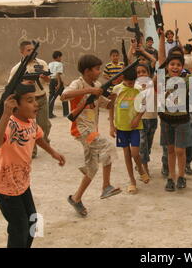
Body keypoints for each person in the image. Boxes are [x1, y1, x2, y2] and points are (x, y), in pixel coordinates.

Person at [0, 83, 65, 248]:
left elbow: (37, 137)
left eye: (35, 99)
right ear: (15, 105)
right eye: (30, 101)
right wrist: (6, 113)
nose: (36, 104)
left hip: (21, 182)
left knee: (32, 220)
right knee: (19, 226)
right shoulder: (10, 124)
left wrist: (53, 152)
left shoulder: (30, 121)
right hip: (5, 184)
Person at [61, 54, 121, 217]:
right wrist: (90, 90)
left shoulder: (97, 84)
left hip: (91, 129)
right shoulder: (78, 83)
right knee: (108, 148)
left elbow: (106, 104)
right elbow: (64, 95)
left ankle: (76, 198)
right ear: (87, 71)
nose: (99, 71)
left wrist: (114, 95)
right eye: (96, 69)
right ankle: (106, 186)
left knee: (92, 167)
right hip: (81, 129)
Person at [157, 28, 192, 191]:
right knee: (170, 150)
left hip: (182, 121)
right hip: (166, 120)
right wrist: (161, 38)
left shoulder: (187, 79)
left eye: (178, 65)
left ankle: (181, 176)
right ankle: (171, 177)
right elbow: (160, 58)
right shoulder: (162, 78)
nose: (175, 67)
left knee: (180, 150)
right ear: (167, 66)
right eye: (172, 64)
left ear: (182, 67)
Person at [110, 66, 150, 194]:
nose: (131, 84)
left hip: (135, 126)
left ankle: (140, 169)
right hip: (121, 127)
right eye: (128, 82)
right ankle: (132, 181)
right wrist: (111, 125)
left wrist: (137, 118)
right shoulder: (117, 89)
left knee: (135, 152)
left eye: (133, 82)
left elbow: (143, 106)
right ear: (123, 79)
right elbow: (111, 107)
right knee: (126, 154)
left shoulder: (138, 89)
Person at [9, 41, 51, 159]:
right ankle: (32, 150)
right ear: (21, 52)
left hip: (41, 98)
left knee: (45, 125)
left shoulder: (42, 63)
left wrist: (45, 77)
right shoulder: (17, 69)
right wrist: (24, 84)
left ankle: (44, 140)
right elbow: (11, 86)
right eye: (28, 50)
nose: (32, 52)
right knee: (30, 126)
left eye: (33, 50)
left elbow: (49, 80)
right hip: (27, 102)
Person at [136, 64, 158, 177]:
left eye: (143, 72)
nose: (141, 74)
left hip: (153, 120)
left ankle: (140, 161)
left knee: (148, 146)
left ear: (149, 74)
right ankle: (144, 168)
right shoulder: (135, 88)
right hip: (141, 120)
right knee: (142, 144)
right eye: (138, 73)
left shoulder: (153, 86)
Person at [48, 50, 69, 118]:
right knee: (64, 96)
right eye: (60, 57)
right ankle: (66, 113)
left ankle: (49, 113)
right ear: (58, 57)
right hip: (57, 81)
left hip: (51, 81)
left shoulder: (50, 64)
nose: (61, 58)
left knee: (52, 97)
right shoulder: (59, 64)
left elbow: (49, 74)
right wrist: (59, 84)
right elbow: (58, 74)